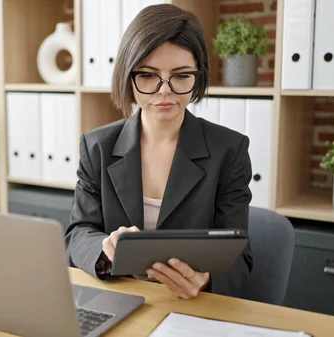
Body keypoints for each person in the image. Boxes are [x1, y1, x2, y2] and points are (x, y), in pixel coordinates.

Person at [65, 3, 253, 300]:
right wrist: (105, 250)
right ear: (129, 75)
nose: (164, 90)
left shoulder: (229, 151)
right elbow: (79, 233)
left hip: (191, 305)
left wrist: (205, 279)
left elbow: (239, 255)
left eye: (180, 76)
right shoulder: (97, 147)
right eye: (149, 75)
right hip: (121, 297)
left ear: (198, 75)